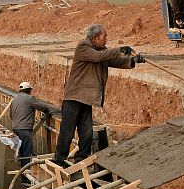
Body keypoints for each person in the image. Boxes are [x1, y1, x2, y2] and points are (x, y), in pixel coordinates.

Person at [53, 24, 142, 165]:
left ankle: (81, 159)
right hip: (74, 97)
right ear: (95, 38)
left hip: (86, 99)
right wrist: (120, 49)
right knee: (67, 131)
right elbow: (97, 57)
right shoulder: (83, 46)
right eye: (104, 36)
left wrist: (132, 60)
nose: (106, 38)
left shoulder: (102, 50)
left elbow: (114, 60)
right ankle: (59, 160)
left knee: (86, 133)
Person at [10, 81, 58, 168]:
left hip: (15, 128)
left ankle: (20, 171)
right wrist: (47, 111)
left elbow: (11, 115)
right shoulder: (29, 98)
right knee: (27, 152)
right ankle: (25, 174)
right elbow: (42, 107)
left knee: (19, 151)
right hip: (24, 129)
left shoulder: (14, 99)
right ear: (28, 90)